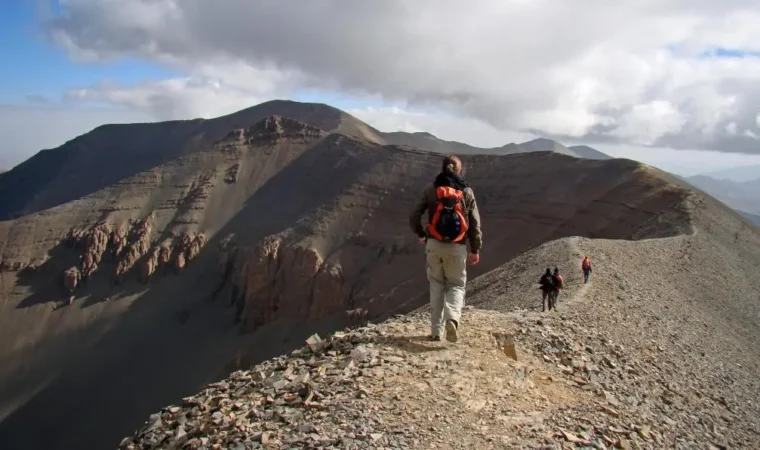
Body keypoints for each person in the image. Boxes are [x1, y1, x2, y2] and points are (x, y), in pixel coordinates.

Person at [409, 154, 482, 343]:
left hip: (433, 244)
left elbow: (414, 216)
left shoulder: (431, 189)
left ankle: (436, 331)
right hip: (457, 247)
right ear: (459, 170)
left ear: (442, 168)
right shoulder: (466, 192)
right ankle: (452, 319)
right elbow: (475, 223)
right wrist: (475, 249)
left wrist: (422, 235)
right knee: (456, 285)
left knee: (436, 285)